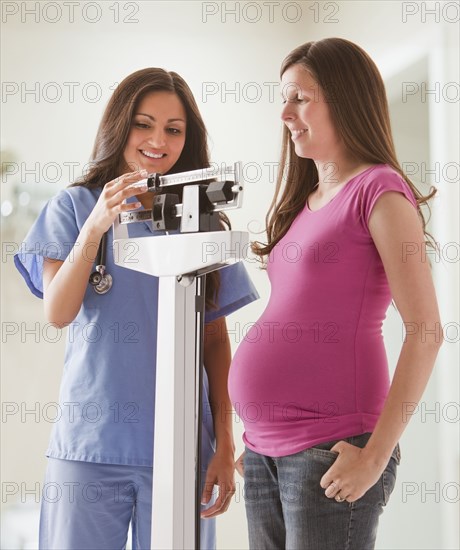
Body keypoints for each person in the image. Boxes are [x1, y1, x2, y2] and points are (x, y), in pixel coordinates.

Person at [14, 68, 258, 550]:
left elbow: (214, 340)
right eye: (144, 124)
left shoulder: (200, 219)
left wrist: (225, 438)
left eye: (174, 129)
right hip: (90, 444)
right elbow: (59, 312)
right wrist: (96, 226)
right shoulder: (75, 205)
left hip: (182, 447)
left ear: (187, 139)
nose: (157, 140)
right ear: (120, 124)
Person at [228, 38, 443, 549]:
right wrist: (263, 434)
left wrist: (375, 456)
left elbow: (426, 332)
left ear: (344, 99)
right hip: (265, 452)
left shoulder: (380, 191)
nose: (285, 112)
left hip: (332, 446)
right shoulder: (306, 203)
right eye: (284, 99)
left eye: (300, 97)